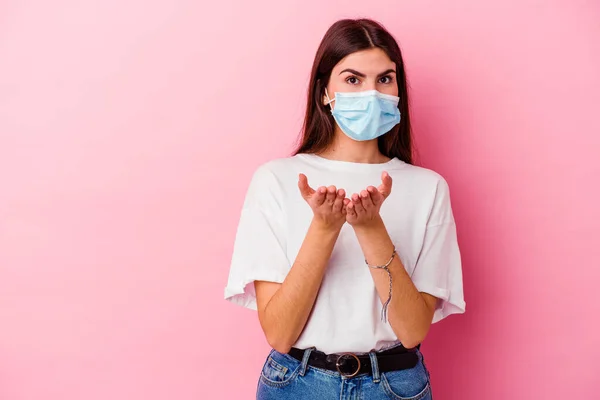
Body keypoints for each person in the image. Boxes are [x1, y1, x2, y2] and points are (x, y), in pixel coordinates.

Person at [224, 18, 466, 400]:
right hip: (297, 384)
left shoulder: (428, 188)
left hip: (394, 386)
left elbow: (413, 331)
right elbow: (280, 333)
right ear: (324, 92)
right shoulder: (276, 179)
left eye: (384, 79)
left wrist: (371, 229)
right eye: (353, 79)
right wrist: (324, 227)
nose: (372, 93)